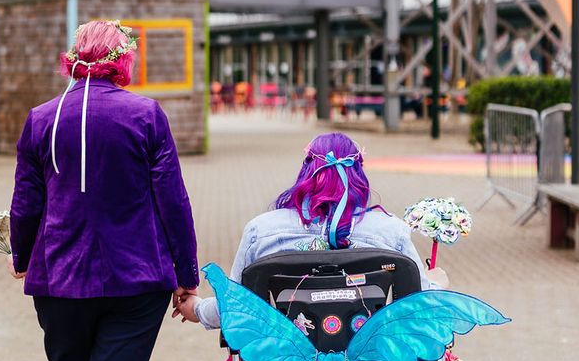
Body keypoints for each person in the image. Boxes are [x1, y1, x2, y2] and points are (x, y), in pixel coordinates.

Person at [8, 20, 199, 361]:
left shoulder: (40, 119)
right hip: (136, 281)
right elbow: (173, 200)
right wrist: (186, 276)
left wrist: (21, 253)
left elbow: (26, 202)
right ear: (123, 60)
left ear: (73, 58)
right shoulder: (146, 116)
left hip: (58, 278)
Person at [174, 132, 446, 329]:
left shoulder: (263, 231)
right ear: (359, 176)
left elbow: (235, 309)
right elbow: (422, 305)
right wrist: (438, 282)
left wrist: (196, 308)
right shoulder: (391, 232)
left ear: (306, 171)